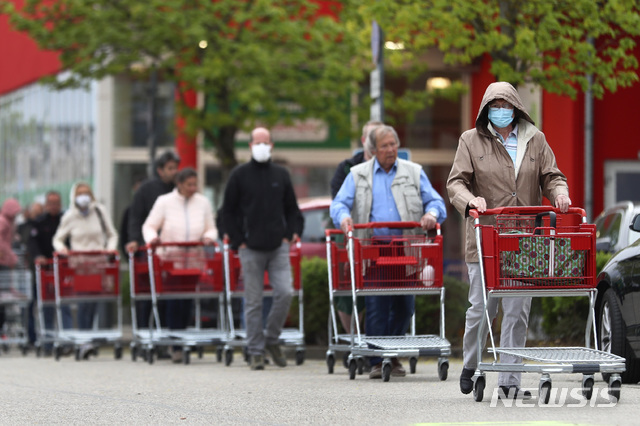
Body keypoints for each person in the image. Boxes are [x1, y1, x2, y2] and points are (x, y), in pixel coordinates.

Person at [447, 81, 571, 399]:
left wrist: (560, 193)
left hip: (524, 240)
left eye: (506, 105)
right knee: (482, 308)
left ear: (516, 107)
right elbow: (455, 183)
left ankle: (509, 382)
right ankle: (471, 364)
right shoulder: (470, 141)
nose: (500, 110)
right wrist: (470, 200)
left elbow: (551, 175)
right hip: (486, 239)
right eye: (494, 105)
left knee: (517, 312)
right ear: (486, 109)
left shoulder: (535, 139)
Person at [330, 125, 447, 379]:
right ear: (372, 150)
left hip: (407, 248)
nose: (391, 149)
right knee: (377, 305)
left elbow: (437, 202)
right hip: (373, 250)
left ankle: (389, 353)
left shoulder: (414, 172)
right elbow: (339, 203)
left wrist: (431, 214)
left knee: (405, 306)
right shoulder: (357, 174)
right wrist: (343, 218)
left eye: (393, 144)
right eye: (384, 146)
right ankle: (376, 360)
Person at [222, 127, 304, 371]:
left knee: (285, 292)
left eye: (265, 142)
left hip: (278, 246)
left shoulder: (281, 174)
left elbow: (292, 208)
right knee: (253, 302)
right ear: (249, 146)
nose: (261, 146)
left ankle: (271, 339)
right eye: (256, 142)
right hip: (250, 248)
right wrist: (239, 240)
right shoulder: (239, 175)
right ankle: (256, 351)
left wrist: (291, 233)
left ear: (272, 145)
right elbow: (228, 212)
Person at [142, 167, 218, 363]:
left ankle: (181, 339)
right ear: (180, 184)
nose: (193, 188)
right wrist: (153, 239)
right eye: (189, 184)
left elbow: (211, 227)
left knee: (187, 301)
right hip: (171, 260)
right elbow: (149, 225)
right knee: (174, 300)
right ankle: (175, 344)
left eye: (195, 184)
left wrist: (208, 238)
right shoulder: (165, 202)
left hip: (193, 259)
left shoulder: (202, 203)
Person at [52, 183, 119, 358]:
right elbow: (58, 239)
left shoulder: (99, 211)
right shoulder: (69, 216)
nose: (83, 196)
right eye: (80, 193)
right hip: (80, 266)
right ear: (74, 196)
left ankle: (88, 338)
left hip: (98, 264)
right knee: (83, 302)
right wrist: (63, 251)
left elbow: (112, 234)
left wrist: (109, 250)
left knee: (94, 303)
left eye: (86, 193)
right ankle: (84, 340)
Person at [330, 120, 383, 337]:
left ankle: (376, 340)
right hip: (352, 237)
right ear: (363, 141)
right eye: (370, 138)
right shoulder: (347, 168)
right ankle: (354, 337)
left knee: (383, 289)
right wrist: (346, 221)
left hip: (381, 239)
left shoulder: (392, 168)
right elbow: (338, 202)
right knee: (347, 291)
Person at [126, 151, 180, 331]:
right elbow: (136, 218)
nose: (174, 172)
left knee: (170, 295)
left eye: (175, 168)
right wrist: (135, 240)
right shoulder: (147, 190)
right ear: (160, 170)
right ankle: (145, 332)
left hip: (173, 251)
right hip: (150, 250)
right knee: (149, 296)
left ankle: (168, 334)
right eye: (170, 168)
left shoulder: (179, 189)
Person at [28, 191, 72, 353]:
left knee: (65, 306)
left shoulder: (65, 220)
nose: (54, 206)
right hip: (45, 271)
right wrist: (38, 257)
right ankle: (48, 341)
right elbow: (32, 243)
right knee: (46, 306)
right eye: (51, 203)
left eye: (56, 203)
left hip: (62, 269)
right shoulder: (39, 222)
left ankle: (67, 341)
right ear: (46, 205)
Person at [0, 198, 22, 333]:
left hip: (5, 262)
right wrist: (11, 257)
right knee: (3, 296)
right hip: (2, 263)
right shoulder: (3, 222)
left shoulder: (9, 222)